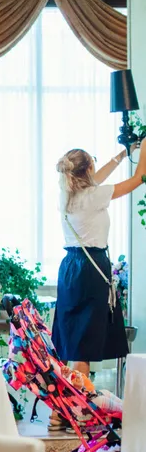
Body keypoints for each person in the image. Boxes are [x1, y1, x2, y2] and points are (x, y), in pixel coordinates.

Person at [53, 145, 146, 378]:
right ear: (88, 169)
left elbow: (95, 179)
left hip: (70, 268)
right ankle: (79, 399)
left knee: (72, 338)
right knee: (83, 343)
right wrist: (145, 147)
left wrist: (123, 155)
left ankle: (62, 398)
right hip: (90, 268)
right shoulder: (94, 196)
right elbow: (139, 179)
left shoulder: (67, 195)